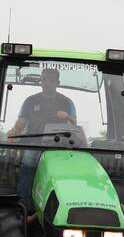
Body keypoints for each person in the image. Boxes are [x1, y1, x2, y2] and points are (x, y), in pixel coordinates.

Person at [7, 68, 77, 210]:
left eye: (51, 80)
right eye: (44, 79)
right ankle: (24, 205)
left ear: (57, 82)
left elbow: (74, 124)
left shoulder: (66, 102)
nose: (47, 82)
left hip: (59, 145)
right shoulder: (31, 101)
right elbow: (20, 124)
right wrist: (13, 132)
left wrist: (67, 116)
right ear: (40, 81)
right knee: (28, 161)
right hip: (35, 143)